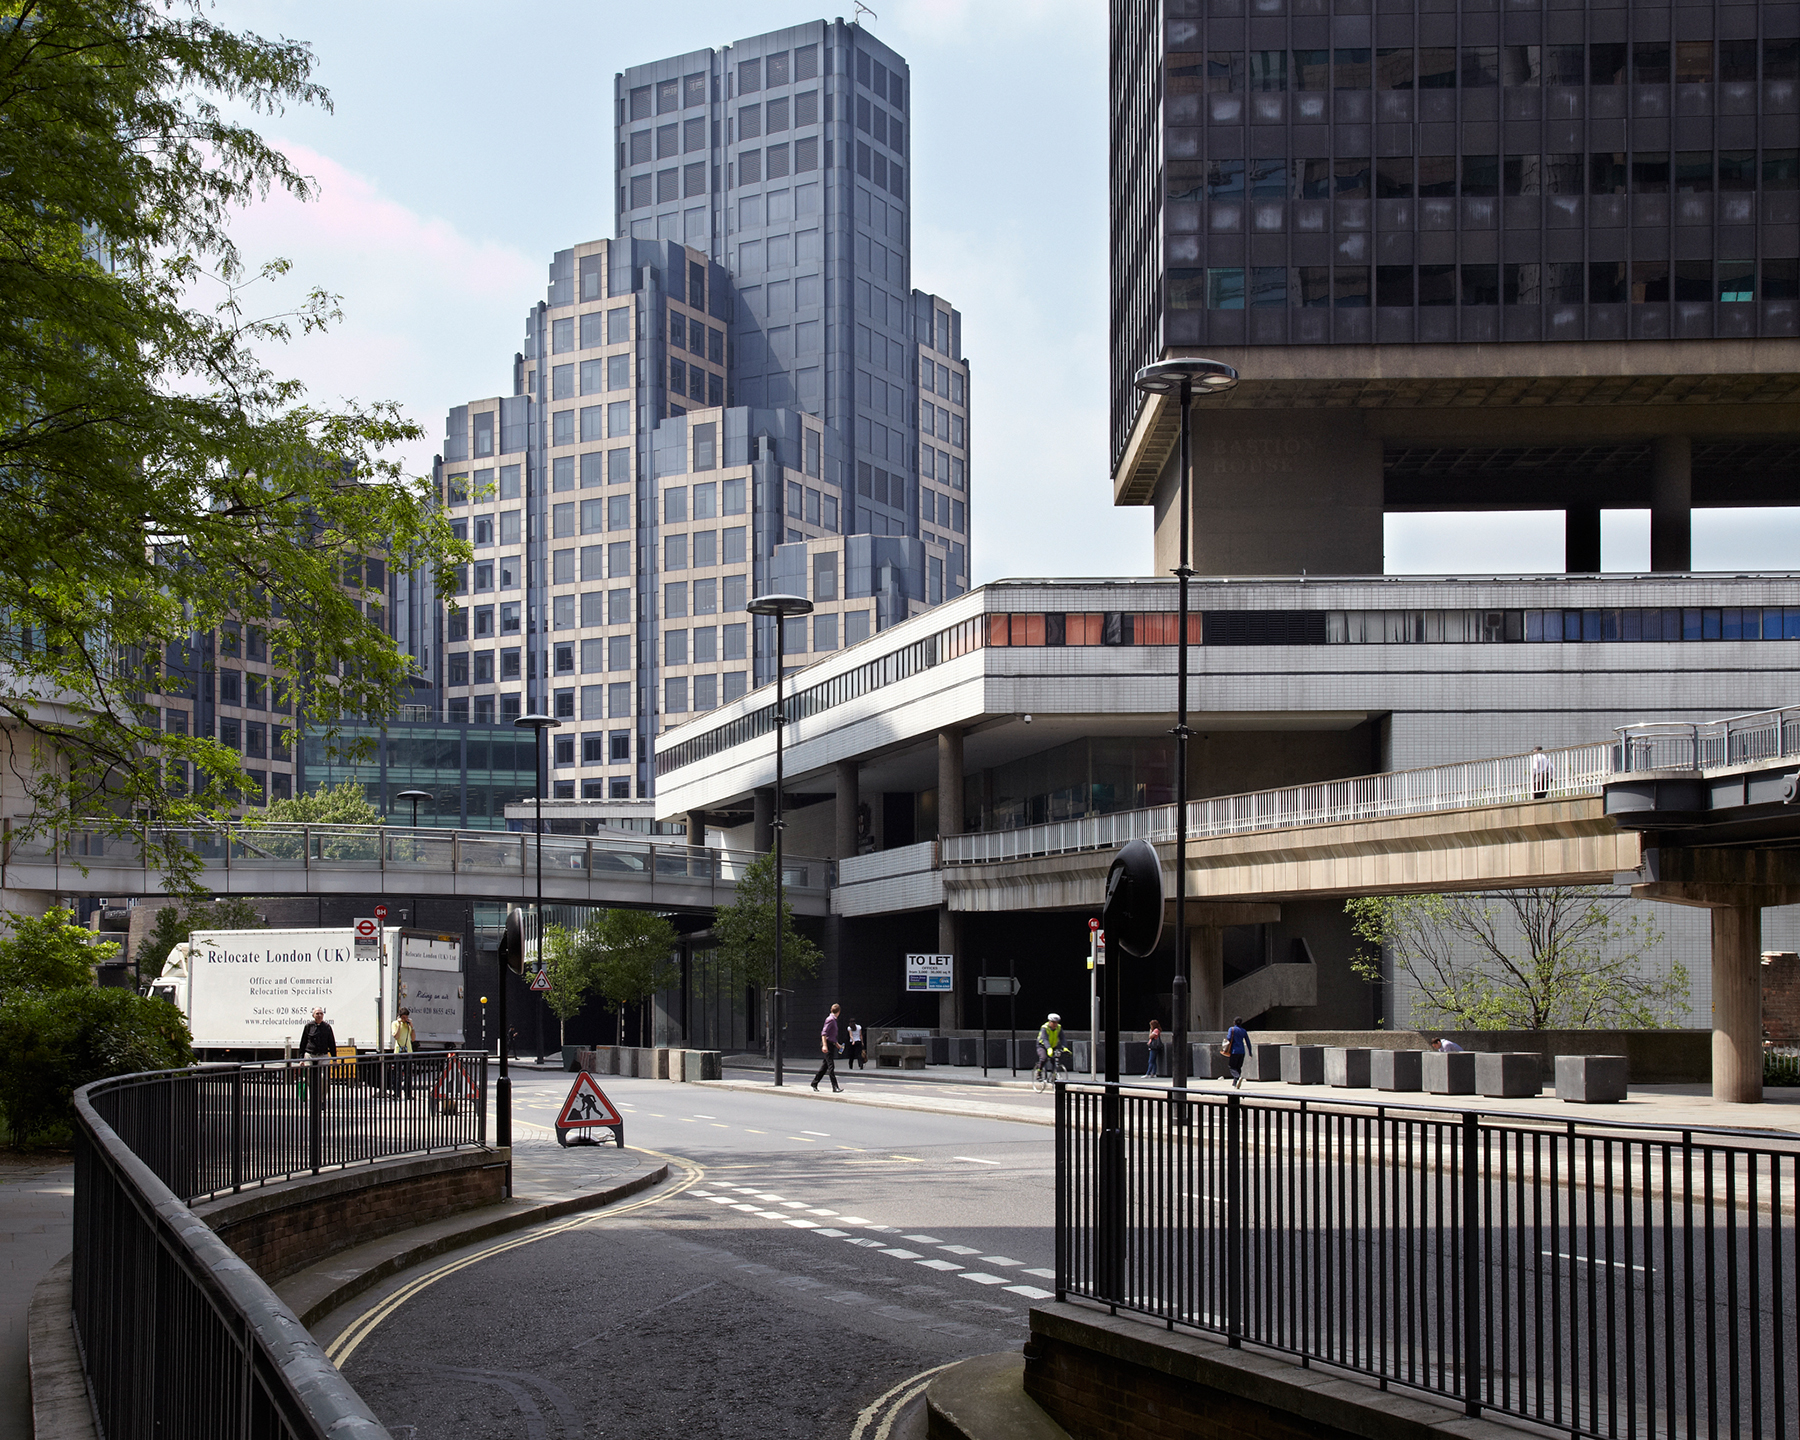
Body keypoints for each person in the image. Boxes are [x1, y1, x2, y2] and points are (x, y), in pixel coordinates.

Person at [298, 1007, 337, 1099]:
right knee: (310, 1078)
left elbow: (331, 1043)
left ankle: (321, 1098)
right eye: (317, 1014)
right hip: (310, 1055)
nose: (319, 1015)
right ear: (313, 1015)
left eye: (321, 1014)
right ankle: (313, 1097)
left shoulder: (327, 1027)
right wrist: (301, 1059)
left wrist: (334, 1059)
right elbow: (303, 1043)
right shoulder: (309, 1026)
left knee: (325, 1079)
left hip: (323, 1055)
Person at [812, 1003, 843, 1092]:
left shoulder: (833, 1020)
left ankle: (814, 1083)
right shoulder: (830, 1020)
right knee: (831, 1066)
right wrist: (825, 1045)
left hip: (831, 1044)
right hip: (827, 1045)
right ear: (839, 1012)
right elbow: (824, 1033)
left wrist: (837, 1044)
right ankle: (835, 1087)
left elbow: (831, 1035)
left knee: (824, 1067)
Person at [389, 1007, 416, 1097]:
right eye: (403, 1018)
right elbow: (396, 1036)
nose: (405, 1020)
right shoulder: (395, 1024)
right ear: (400, 1017)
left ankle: (408, 1093)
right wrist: (400, 1024)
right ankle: (397, 1093)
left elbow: (413, 1039)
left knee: (408, 1074)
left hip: (408, 1051)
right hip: (398, 1051)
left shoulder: (408, 1025)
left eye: (406, 1018)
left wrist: (412, 1027)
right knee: (397, 1074)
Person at [1223, 1016, 1252, 1088]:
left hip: (1234, 1051)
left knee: (1232, 1067)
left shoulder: (1231, 1029)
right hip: (1242, 1051)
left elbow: (1229, 1038)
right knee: (1238, 1067)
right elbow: (1248, 1042)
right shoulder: (1243, 1031)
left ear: (1234, 1022)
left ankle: (1237, 1077)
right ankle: (1235, 1083)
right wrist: (1250, 1052)